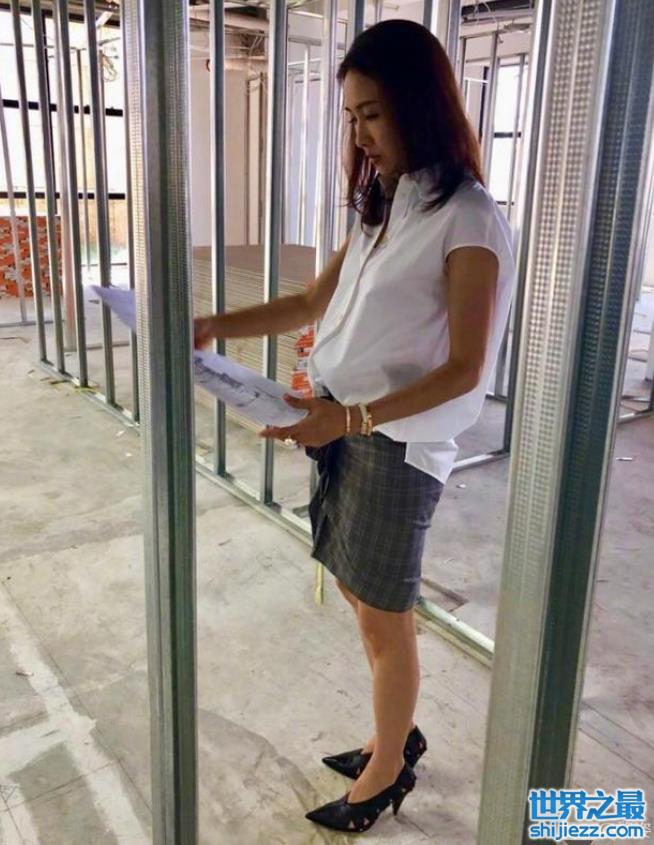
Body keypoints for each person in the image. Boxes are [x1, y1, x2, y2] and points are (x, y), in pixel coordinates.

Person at [195, 18, 515, 836]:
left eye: (373, 113)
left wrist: (350, 416)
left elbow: (466, 367)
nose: (361, 134)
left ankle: (386, 769)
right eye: (352, 116)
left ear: (419, 104)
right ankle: (395, 730)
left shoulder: (468, 218)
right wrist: (213, 325)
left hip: (396, 442)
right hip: (345, 426)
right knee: (356, 586)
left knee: (381, 610)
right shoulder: (385, 205)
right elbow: (310, 300)